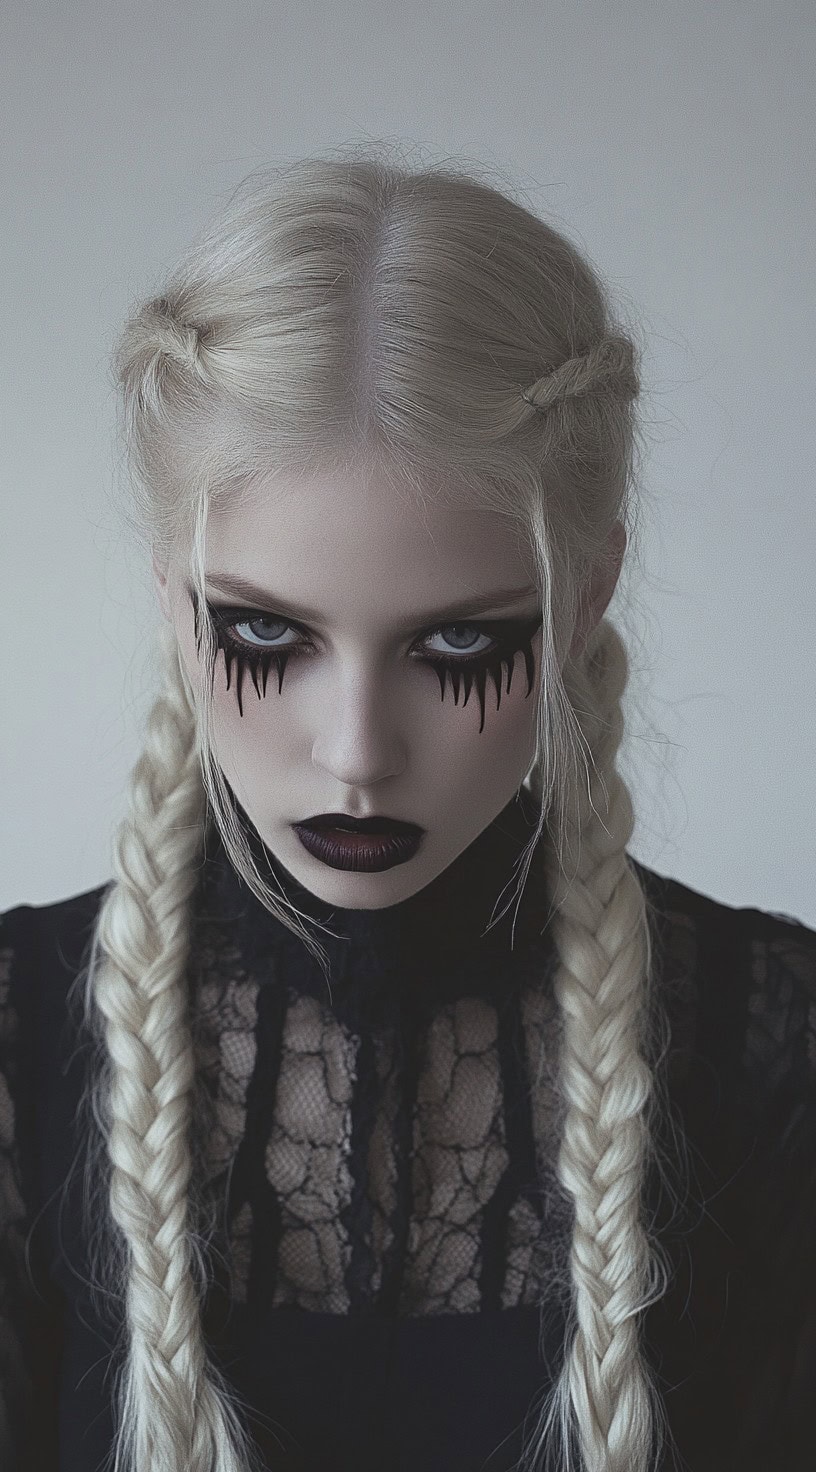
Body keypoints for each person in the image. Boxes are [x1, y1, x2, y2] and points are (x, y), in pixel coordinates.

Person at [1, 146, 814, 1472]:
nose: (358, 753)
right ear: (169, 592)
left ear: (588, 592)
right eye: (266, 633)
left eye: (455, 650)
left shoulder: (779, 1046)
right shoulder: (17, 1049)